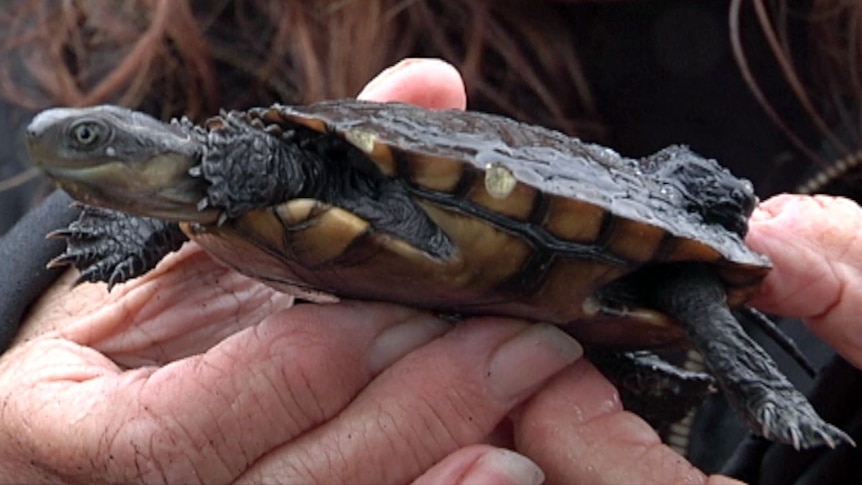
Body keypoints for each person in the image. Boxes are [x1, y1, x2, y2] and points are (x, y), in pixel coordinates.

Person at [0, 58, 859, 484]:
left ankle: (764, 392)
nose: (70, 154)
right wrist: (23, 320)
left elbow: (248, 159)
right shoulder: (139, 43)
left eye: (89, 142)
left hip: (571, 231)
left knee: (681, 283)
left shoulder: (266, 162)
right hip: (516, 333)